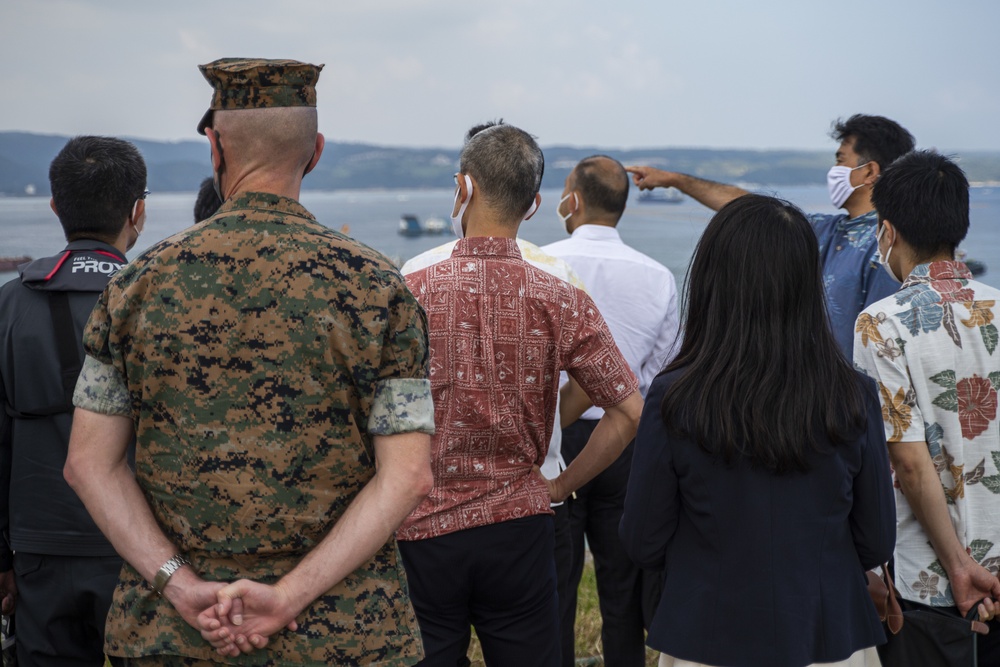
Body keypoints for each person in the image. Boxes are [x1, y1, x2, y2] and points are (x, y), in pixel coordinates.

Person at [63, 58, 435, 664]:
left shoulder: (137, 287)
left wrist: (181, 588)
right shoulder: (378, 288)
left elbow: (89, 466)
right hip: (344, 635)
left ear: (215, 149)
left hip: (174, 636)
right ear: (315, 152)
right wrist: (288, 597)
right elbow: (408, 477)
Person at [396, 121, 643, 666]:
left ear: (464, 188)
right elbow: (627, 410)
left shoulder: (410, 289)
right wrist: (559, 487)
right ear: (534, 205)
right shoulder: (559, 295)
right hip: (521, 525)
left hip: (424, 523)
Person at [621, 194, 896, 667]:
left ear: (712, 281)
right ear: (806, 285)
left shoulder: (675, 397)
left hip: (705, 635)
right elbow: (875, 541)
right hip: (829, 636)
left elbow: (643, 539)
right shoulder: (855, 394)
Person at [0, 135, 146, 667]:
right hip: (141, 546)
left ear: (56, 205)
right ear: (139, 211)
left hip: (37, 544)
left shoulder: (10, 303)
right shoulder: (159, 300)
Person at [853, 150, 1000, 662]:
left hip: (931, 582)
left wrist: (959, 568)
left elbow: (910, 463)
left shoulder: (880, 323)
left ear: (887, 230)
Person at [542, 155, 679, 667]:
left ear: (571, 200)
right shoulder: (658, 276)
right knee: (622, 588)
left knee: (555, 582)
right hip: (628, 441)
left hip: (554, 436)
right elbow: (662, 373)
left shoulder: (540, 261)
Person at [627, 114, 915, 358]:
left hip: (852, 405)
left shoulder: (887, 244)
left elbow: (884, 344)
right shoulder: (825, 230)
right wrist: (676, 180)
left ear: (869, 172)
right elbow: (750, 208)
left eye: (841, 160)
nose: (834, 171)